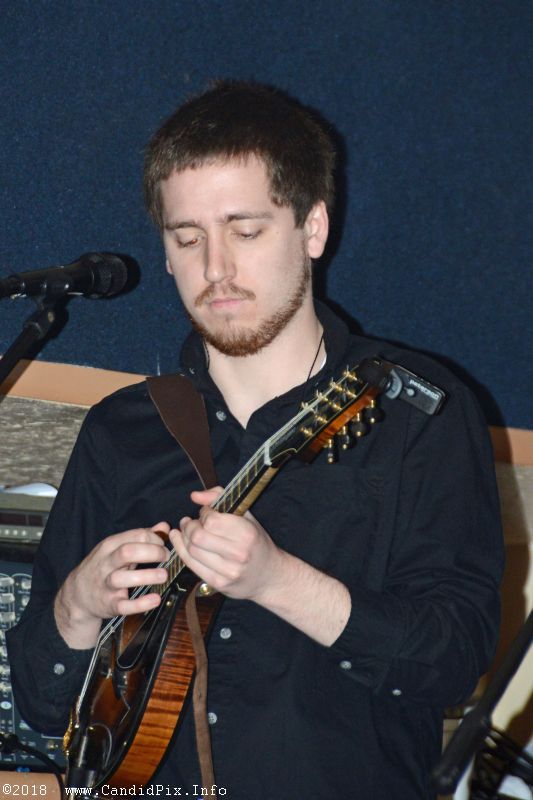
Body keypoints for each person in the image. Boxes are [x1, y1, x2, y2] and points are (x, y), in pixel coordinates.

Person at [7, 80, 504, 799]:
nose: (215, 269)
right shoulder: (121, 429)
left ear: (312, 228)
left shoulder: (417, 411)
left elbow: (452, 662)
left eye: (245, 232)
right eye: (187, 238)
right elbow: (41, 704)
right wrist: (76, 607)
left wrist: (279, 582)